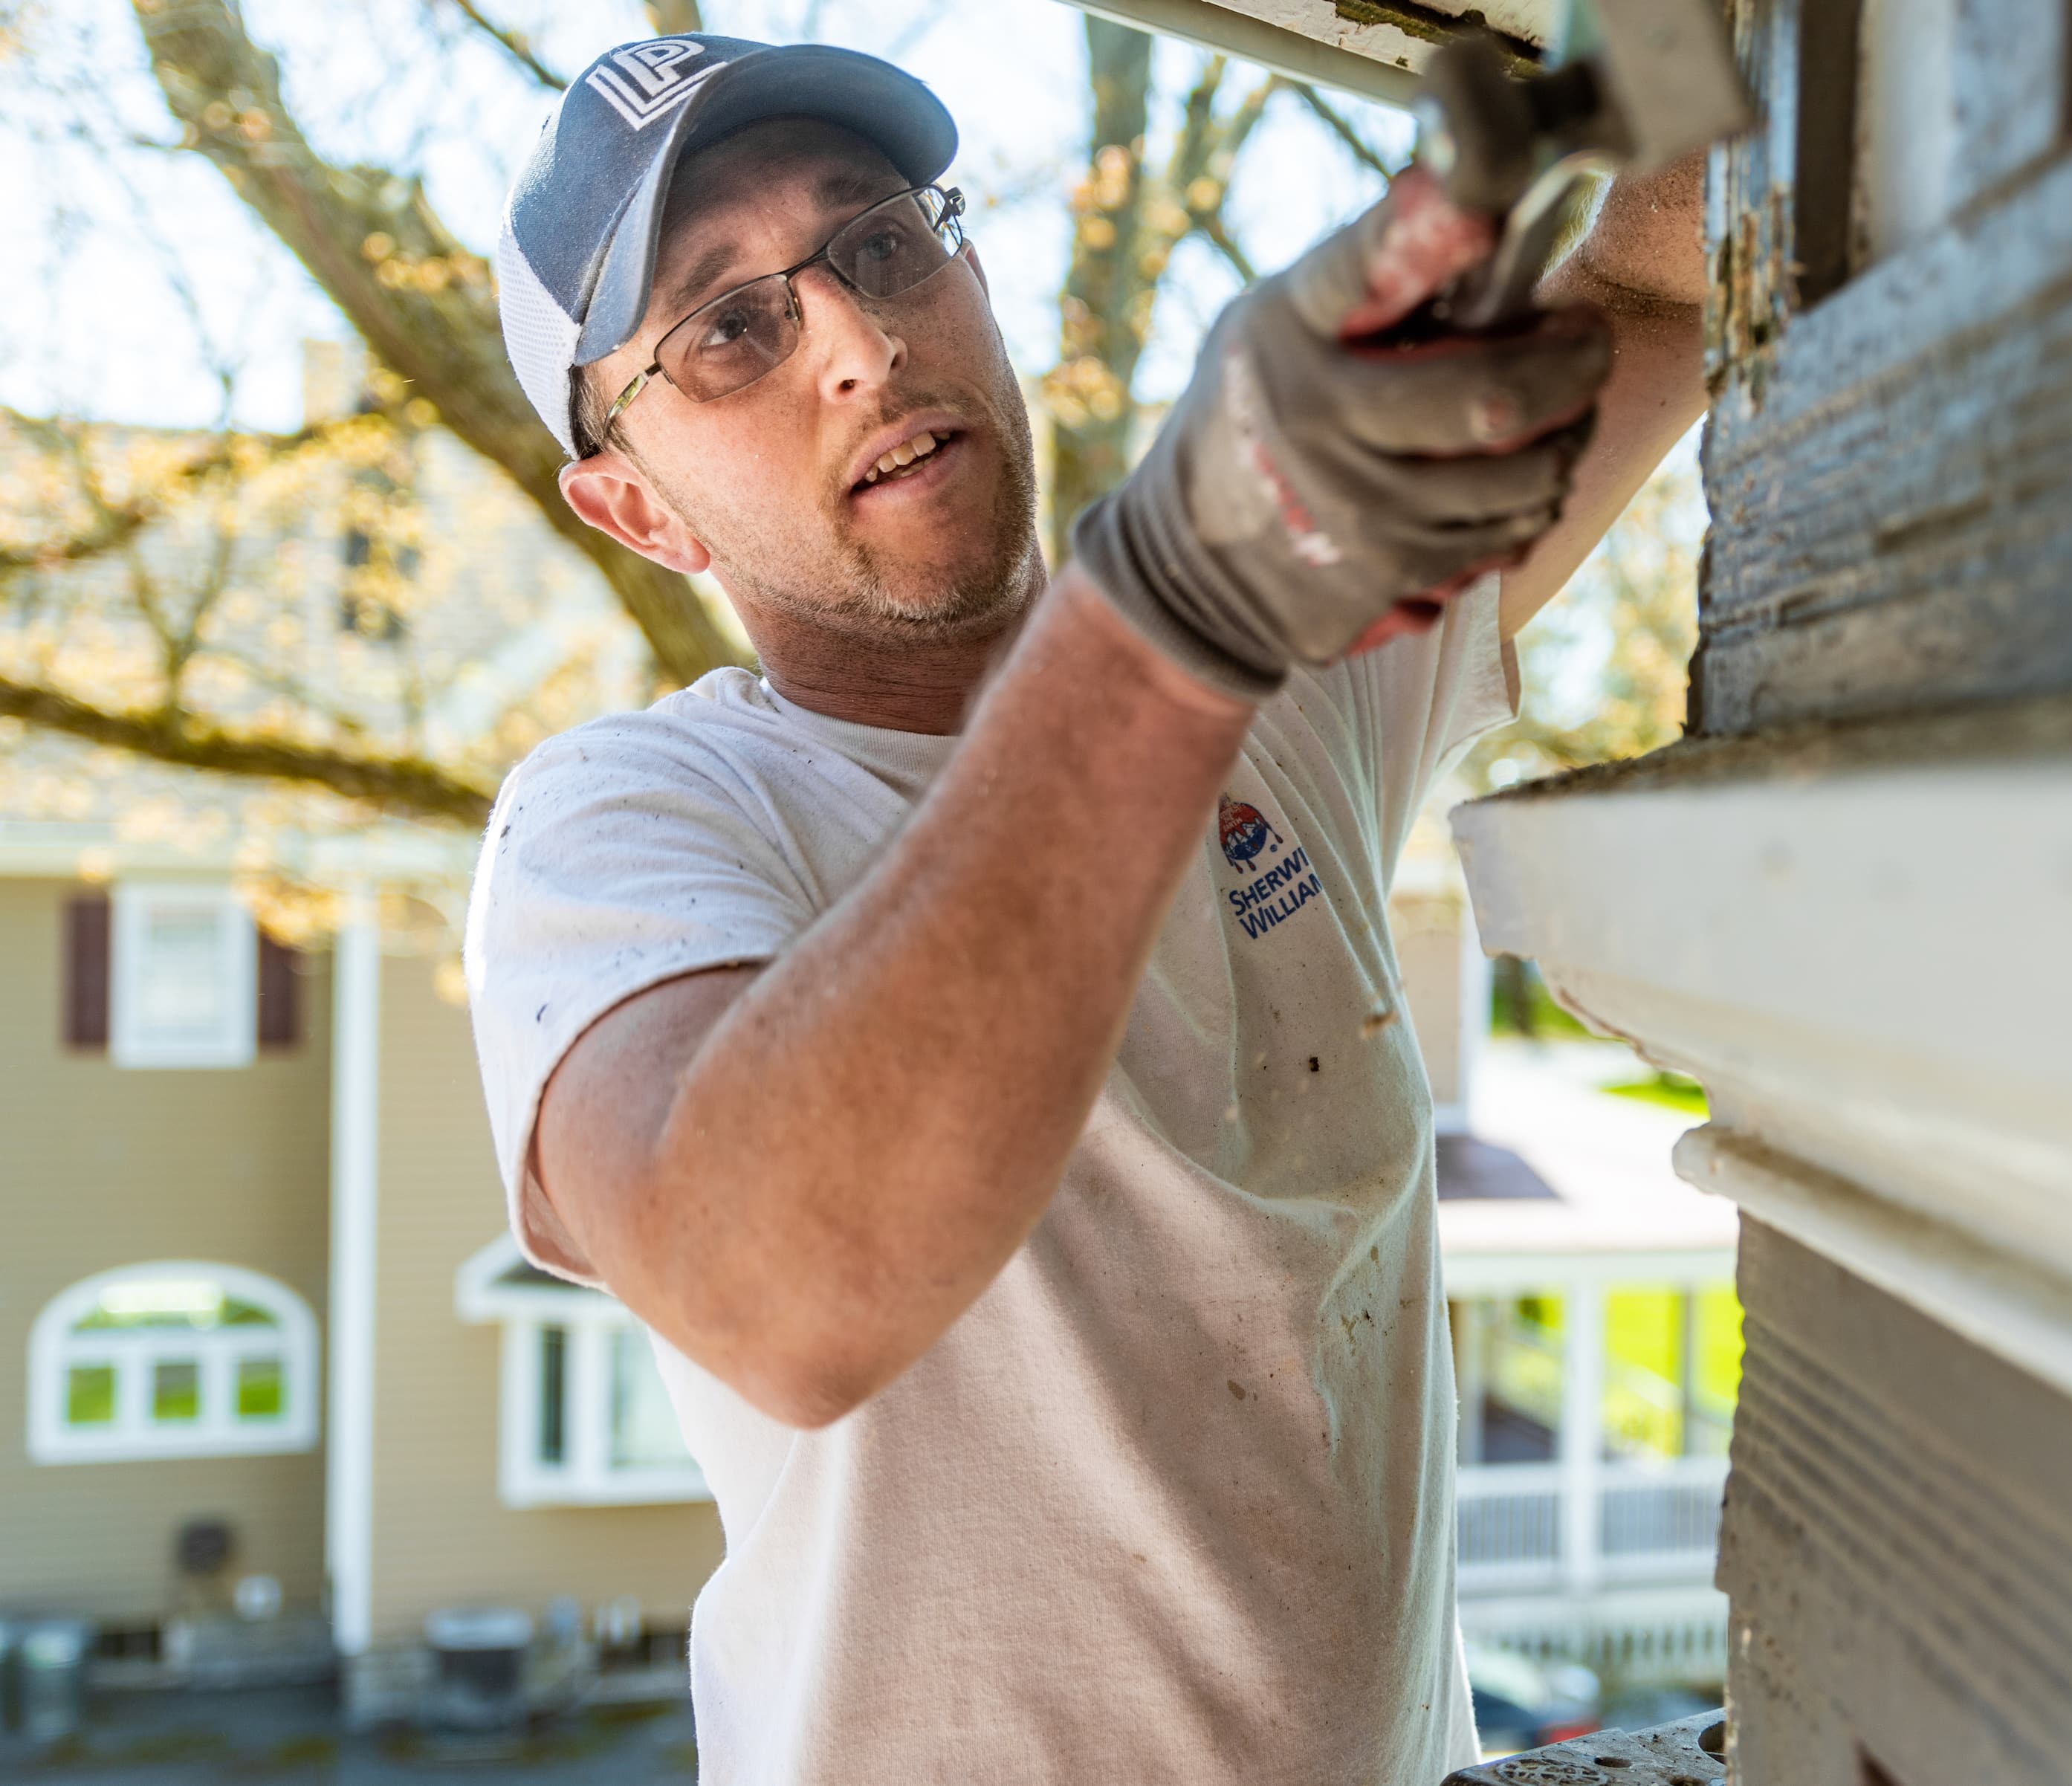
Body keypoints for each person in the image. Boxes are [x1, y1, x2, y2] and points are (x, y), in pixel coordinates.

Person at [470, 30, 1706, 1785]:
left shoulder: (1286, 669)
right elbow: (773, 1288)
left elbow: (1657, 300)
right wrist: (1163, 615)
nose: (860, 340)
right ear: (632, 503)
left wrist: (1736, 75)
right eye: (728, 327)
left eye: (885, 242)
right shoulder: (628, 826)